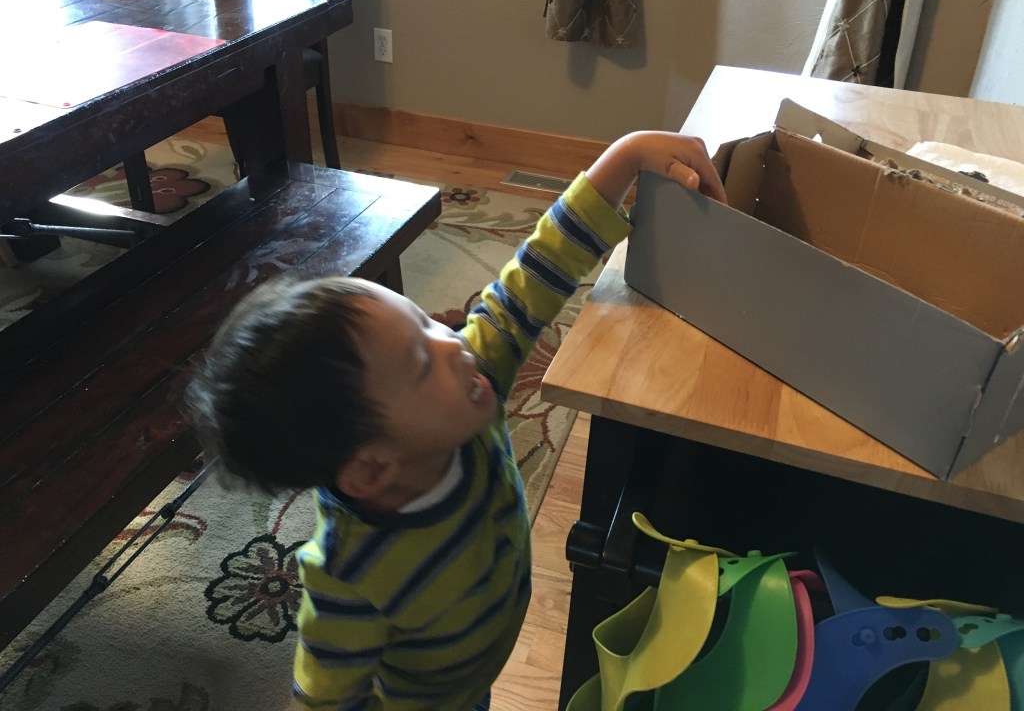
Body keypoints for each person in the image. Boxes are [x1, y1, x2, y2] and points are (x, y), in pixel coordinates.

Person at [187, 131, 727, 710]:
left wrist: (627, 155)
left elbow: (538, 271)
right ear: (371, 469)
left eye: (425, 321)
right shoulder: (350, 576)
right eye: (422, 363)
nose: (454, 342)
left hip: (478, 662)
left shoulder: (471, 376)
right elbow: (324, 698)